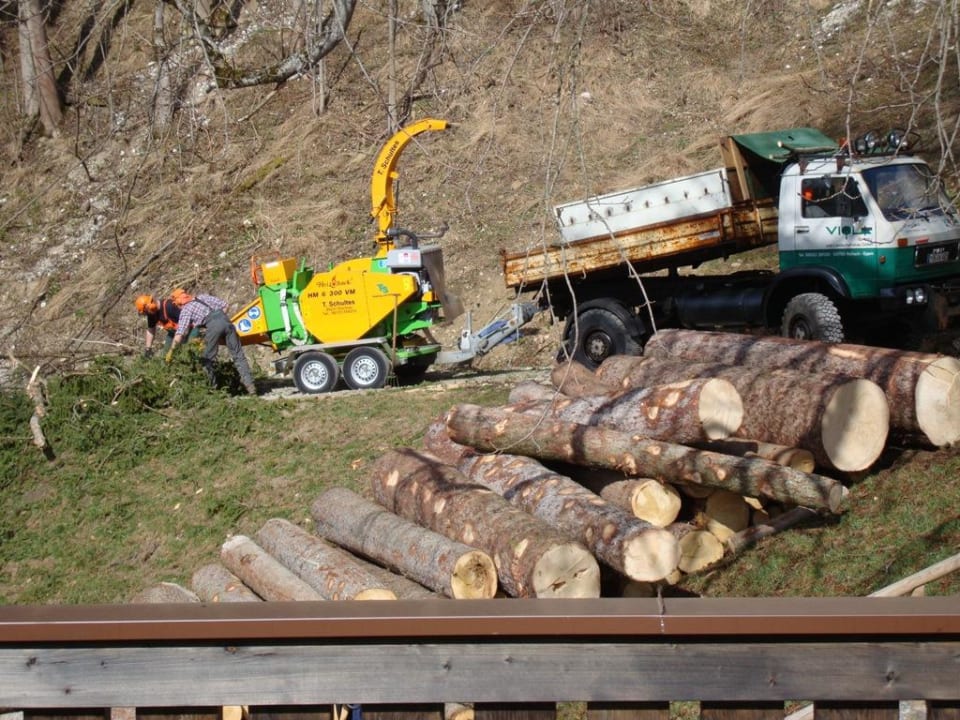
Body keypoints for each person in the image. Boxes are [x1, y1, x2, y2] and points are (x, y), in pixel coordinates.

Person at [165, 293, 257, 396]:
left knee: (206, 359)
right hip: (226, 322)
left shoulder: (186, 310)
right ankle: (250, 386)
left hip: (213, 326)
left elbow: (180, 333)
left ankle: (213, 390)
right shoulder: (203, 297)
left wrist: (171, 351)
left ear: (179, 303)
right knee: (238, 355)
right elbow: (225, 306)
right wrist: (220, 324)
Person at [135, 293, 185, 358]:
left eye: (146, 312)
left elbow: (186, 325)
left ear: (150, 306)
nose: (147, 315)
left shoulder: (170, 306)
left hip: (187, 331)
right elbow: (151, 329)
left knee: (181, 353)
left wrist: (173, 350)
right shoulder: (152, 314)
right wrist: (148, 348)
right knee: (165, 355)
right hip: (174, 333)